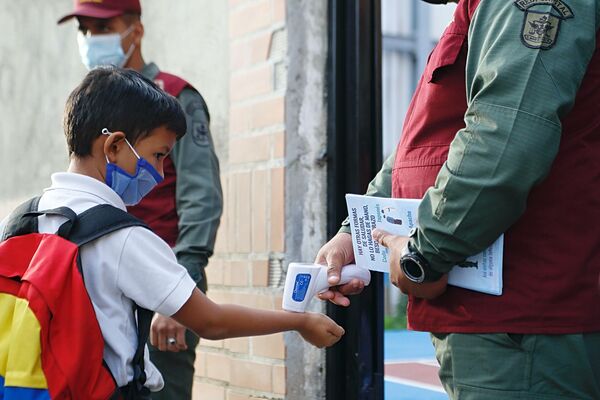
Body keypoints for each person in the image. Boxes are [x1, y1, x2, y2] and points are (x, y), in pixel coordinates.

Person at [0, 66, 344, 397]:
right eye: (158, 155)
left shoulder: (22, 220)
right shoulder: (122, 237)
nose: (162, 173)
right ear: (114, 146)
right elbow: (212, 322)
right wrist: (298, 322)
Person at [317, 0, 600, 399]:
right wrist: (358, 233)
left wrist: (423, 256)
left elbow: (506, 136)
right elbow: (432, 147)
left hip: (522, 322)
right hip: (499, 319)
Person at [57, 1, 223, 398]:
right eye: (84, 30)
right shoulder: (93, 101)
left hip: (159, 288)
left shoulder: (176, 99)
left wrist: (181, 290)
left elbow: (201, 198)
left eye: (102, 28)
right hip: (97, 291)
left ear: (136, 31)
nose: (89, 40)